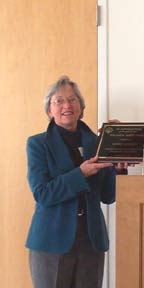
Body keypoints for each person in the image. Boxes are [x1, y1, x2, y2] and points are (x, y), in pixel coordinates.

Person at [26, 76, 118, 288]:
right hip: (51, 242)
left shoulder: (98, 143)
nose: (67, 105)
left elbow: (108, 196)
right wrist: (80, 174)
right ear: (49, 111)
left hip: (90, 241)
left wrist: (118, 169)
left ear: (81, 107)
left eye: (73, 99)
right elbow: (43, 193)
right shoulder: (37, 144)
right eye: (59, 101)